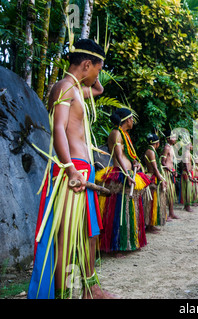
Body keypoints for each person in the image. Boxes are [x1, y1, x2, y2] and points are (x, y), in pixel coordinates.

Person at [28, 39, 119, 299]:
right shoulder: (64, 88)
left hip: (83, 172)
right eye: (98, 69)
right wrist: (69, 169)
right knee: (66, 240)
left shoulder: (78, 88)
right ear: (87, 64)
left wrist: (96, 70)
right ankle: (64, 293)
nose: (98, 76)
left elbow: (98, 90)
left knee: (90, 233)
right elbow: (59, 129)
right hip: (73, 173)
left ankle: (91, 288)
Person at [95, 108, 151, 254]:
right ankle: (116, 246)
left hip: (126, 173)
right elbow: (119, 156)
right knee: (118, 211)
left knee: (127, 211)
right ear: (127, 120)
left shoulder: (124, 134)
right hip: (119, 174)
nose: (133, 121)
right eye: (132, 118)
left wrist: (135, 163)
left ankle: (126, 243)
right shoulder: (116, 133)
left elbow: (127, 155)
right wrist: (127, 175)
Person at [143, 133, 167, 232]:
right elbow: (155, 168)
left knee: (154, 201)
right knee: (151, 202)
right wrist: (161, 179)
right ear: (157, 143)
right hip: (152, 178)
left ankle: (151, 224)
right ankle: (149, 225)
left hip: (152, 177)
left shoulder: (150, 151)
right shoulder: (151, 152)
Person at [161, 130, 180, 220]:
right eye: (173, 137)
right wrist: (170, 170)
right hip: (166, 173)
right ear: (168, 139)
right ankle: (164, 214)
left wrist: (173, 171)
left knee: (171, 194)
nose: (175, 139)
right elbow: (162, 162)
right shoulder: (166, 148)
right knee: (166, 194)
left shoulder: (171, 148)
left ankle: (171, 213)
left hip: (171, 172)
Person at [179, 135, 195, 212]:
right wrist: (189, 173)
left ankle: (187, 205)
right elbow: (185, 163)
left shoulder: (188, 153)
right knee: (187, 190)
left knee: (188, 189)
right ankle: (187, 206)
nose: (192, 146)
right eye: (191, 144)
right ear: (187, 145)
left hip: (188, 172)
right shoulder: (186, 153)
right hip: (186, 173)